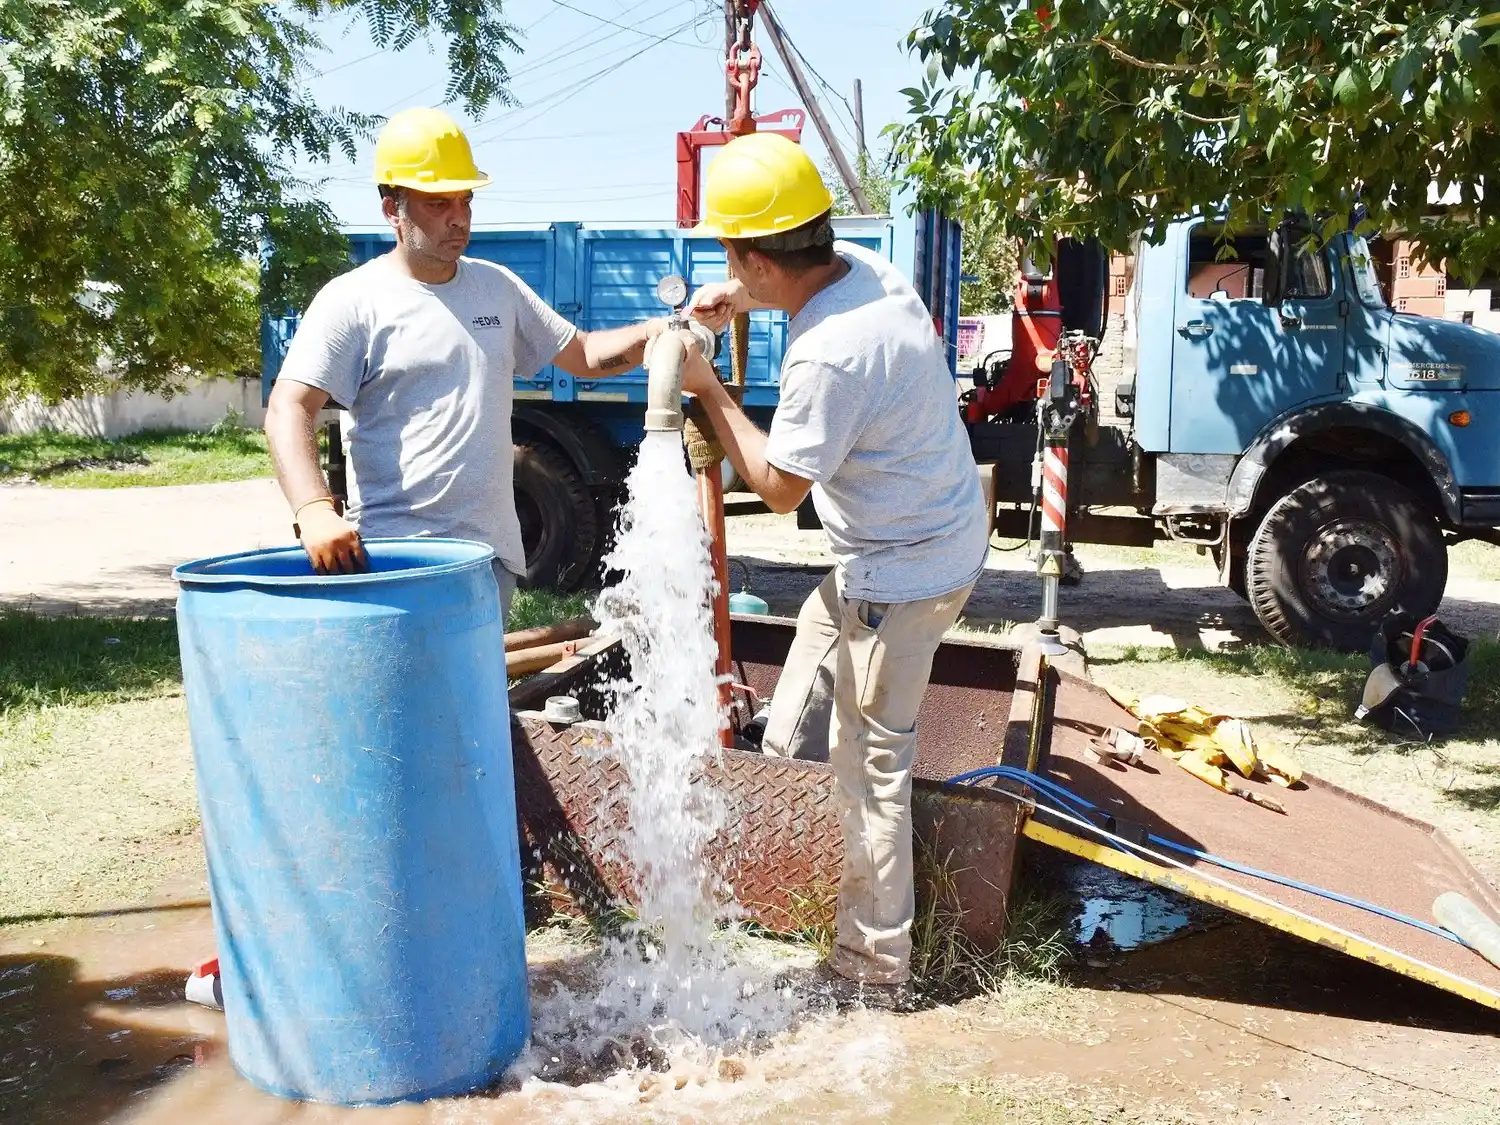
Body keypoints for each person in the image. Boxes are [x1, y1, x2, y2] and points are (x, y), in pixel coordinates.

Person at [677, 133, 990, 998]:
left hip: (901, 577)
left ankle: (873, 970)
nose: (731, 271)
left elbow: (780, 487)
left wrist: (708, 389)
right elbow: (783, 270)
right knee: (802, 711)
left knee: (873, 771)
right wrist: (737, 298)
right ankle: (787, 765)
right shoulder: (867, 271)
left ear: (758, 257)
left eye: (733, 258)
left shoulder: (828, 353)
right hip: (927, 542)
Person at [265, 107, 666, 618]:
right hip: (396, 562)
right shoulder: (354, 301)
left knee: (480, 674)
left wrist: (657, 333)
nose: (459, 217)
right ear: (392, 209)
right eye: (439, 203)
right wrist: (315, 511)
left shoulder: (496, 288)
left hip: (488, 561)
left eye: (466, 200)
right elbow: (289, 408)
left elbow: (584, 355)